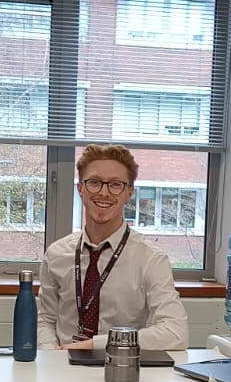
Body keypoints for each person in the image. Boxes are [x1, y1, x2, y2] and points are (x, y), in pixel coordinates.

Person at [36, 144, 188, 352]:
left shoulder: (150, 259)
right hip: (62, 366)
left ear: (129, 193)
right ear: (80, 188)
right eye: (94, 182)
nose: (104, 192)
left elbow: (176, 332)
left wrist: (94, 345)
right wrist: (51, 356)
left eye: (116, 185)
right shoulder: (56, 254)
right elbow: (45, 320)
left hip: (124, 371)